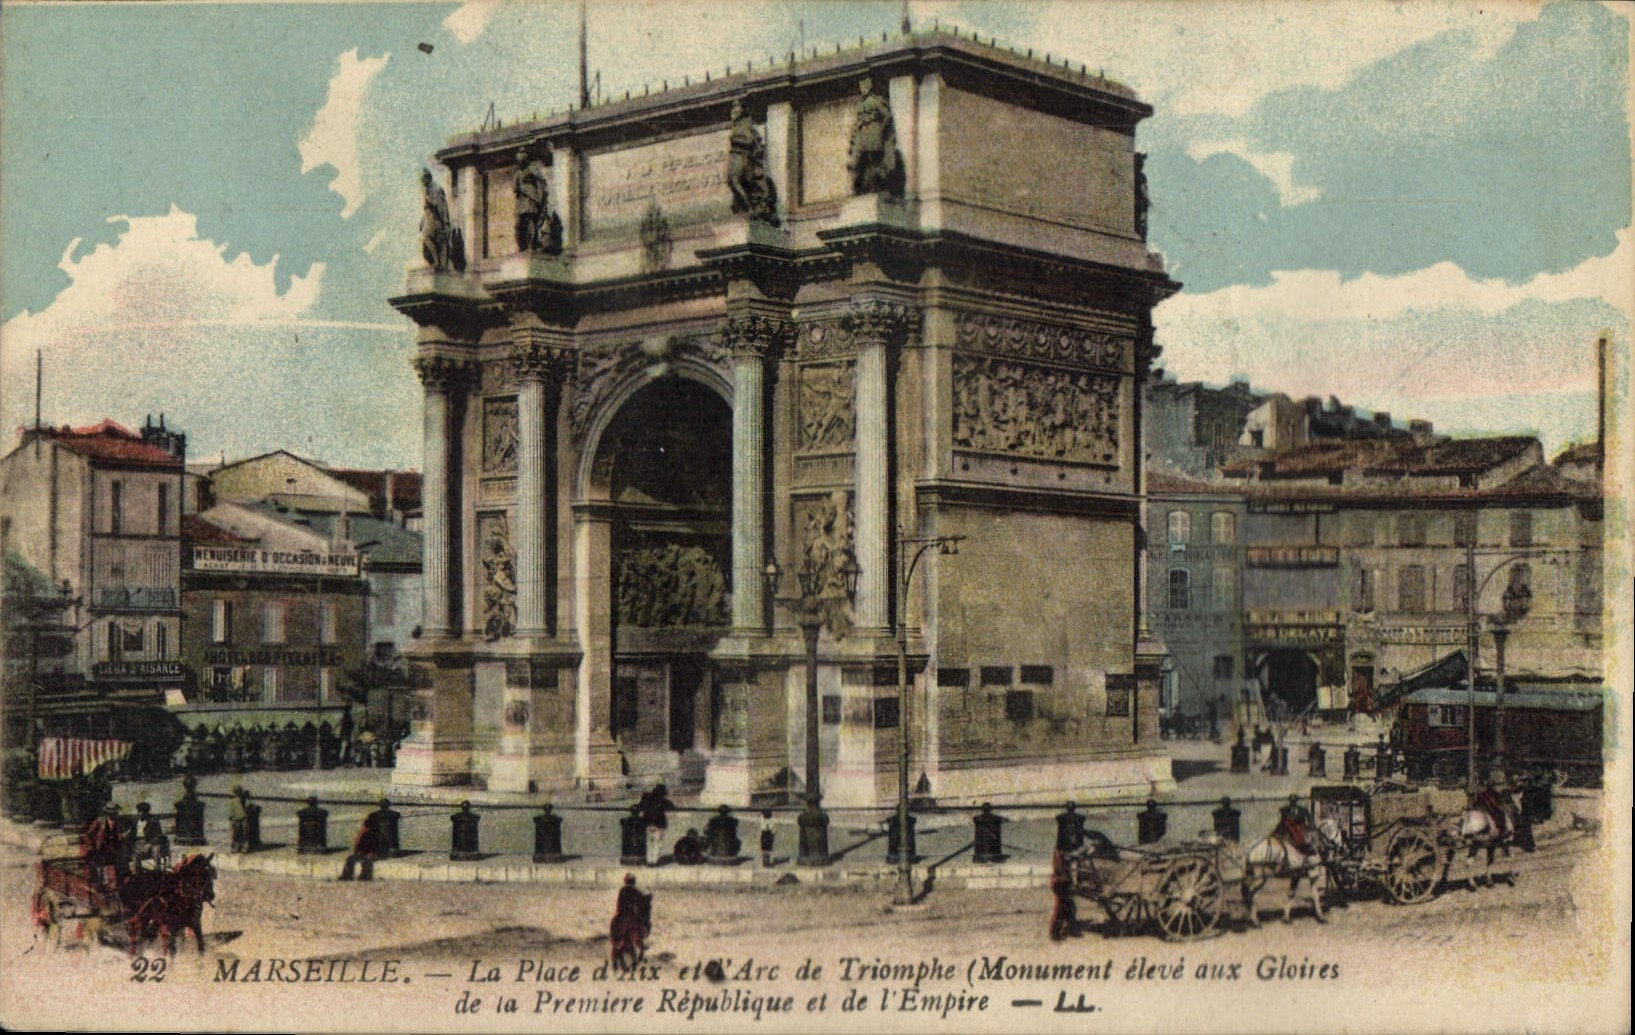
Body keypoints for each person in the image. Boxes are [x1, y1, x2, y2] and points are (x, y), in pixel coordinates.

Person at [846, 75, 899, 195]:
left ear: (869, 88)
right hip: (863, 132)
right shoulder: (861, 104)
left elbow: (886, 115)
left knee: (874, 158)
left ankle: (877, 183)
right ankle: (864, 184)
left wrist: (881, 128)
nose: (862, 89)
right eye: (861, 87)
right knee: (861, 158)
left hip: (873, 131)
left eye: (864, 87)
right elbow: (858, 121)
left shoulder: (875, 101)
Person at [610, 873, 652, 968]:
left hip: (619, 916)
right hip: (630, 916)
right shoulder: (635, 890)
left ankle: (615, 958)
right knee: (639, 927)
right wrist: (648, 897)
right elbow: (642, 902)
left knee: (615, 932)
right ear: (633, 881)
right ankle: (640, 944)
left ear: (625, 881)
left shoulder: (622, 890)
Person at [81, 803, 125, 888]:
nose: (113, 814)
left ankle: (116, 885)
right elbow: (88, 835)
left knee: (118, 867)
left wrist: (122, 837)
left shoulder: (119, 822)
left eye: (115, 812)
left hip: (114, 848)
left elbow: (121, 834)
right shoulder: (100, 821)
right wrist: (91, 845)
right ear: (107, 813)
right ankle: (102, 885)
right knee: (101, 867)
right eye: (111, 813)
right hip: (101, 848)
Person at [636, 783, 676, 865]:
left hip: (647, 823)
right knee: (657, 842)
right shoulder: (663, 800)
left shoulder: (646, 797)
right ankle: (654, 860)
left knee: (649, 842)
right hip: (659, 824)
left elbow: (639, 808)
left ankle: (649, 860)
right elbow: (672, 807)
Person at [339, 814, 383, 881]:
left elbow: (377, 846)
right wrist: (358, 852)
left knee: (366, 860)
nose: (363, 826)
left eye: (364, 825)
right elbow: (359, 845)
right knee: (351, 859)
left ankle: (365, 876)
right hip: (364, 853)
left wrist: (370, 853)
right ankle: (347, 875)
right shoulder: (365, 834)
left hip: (374, 853)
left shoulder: (375, 834)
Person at [1049, 846, 1078, 940]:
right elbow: (1059, 869)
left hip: (1061, 882)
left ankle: (1066, 930)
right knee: (1061, 909)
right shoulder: (1059, 854)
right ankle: (1055, 934)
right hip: (1060, 883)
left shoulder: (1059, 854)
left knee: (1068, 907)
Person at [131, 802, 169, 871]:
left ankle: (156, 871)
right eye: (139, 811)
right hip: (137, 843)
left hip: (150, 842)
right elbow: (131, 833)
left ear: (146, 812)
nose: (139, 814)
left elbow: (158, 835)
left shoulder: (153, 821)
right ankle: (137, 874)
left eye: (142, 812)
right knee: (133, 859)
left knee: (156, 850)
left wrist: (149, 844)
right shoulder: (135, 821)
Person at [228, 784, 252, 853]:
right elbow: (231, 810)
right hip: (239, 818)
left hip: (241, 818)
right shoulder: (235, 801)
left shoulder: (242, 799)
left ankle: (241, 847)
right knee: (238, 834)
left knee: (241, 834)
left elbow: (232, 810)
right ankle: (238, 847)